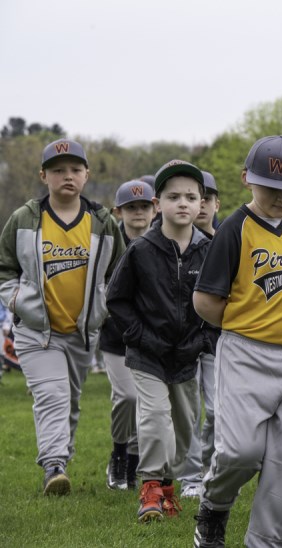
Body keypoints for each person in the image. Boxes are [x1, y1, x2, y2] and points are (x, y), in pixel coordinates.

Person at [192, 136, 282, 547]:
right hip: (246, 354)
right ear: (246, 179)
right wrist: (248, 324)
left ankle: (266, 541)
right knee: (240, 452)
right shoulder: (235, 229)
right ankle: (214, 506)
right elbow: (204, 301)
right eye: (271, 188)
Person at [0, 139, 125, 496]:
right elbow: (4, 268)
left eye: (75, 169)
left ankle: (60, 461)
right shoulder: (24, 219)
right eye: (58, 170)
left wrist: (103, 306)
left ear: (87, 174)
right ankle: (53, 465)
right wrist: (17, 300)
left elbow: (119, 273)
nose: (67, 176)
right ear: (43, 176)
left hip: (82, 333)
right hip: (36, 331)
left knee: (68, 400)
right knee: (52, 394)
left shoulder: (102, 222)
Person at [106, 160, 213, 523]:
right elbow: (116, 300)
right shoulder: (141, 250)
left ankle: (168, 485)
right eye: (173, 197)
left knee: (184, 426)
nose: (183, 203)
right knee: (154, 417)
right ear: (157, 204)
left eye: (191, 197)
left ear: (201, 203)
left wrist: (202, 341)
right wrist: (141, 337)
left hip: (187, 356)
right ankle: (150, 488)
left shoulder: (209, 250)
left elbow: (222, 304)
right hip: (146, 354)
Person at [100, 179, 157, 491]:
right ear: (117, 211)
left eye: (144, 206)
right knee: (127, 396)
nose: (138, 212)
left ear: (154, 209)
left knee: (146, 403)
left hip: (151, 336)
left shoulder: (163, 241)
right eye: (131, 207)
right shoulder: (108, 244)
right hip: (115, 334)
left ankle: (133, 464)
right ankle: (119, 455)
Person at [178, 170, 221, 499]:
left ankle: (210, 465)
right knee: (189, 412)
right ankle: (191, 476)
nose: (202, 205)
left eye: (207, 199)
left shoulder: (226, 241)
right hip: (182, 342)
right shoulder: (174, 242)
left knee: (218, 412)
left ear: (216, 204)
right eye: (197, 198)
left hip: (217, 341)